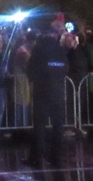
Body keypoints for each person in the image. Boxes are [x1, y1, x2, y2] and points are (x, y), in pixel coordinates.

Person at [26, 21, 71, 167]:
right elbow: (65, 68)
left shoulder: (38, 50)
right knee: (58, 126)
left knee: (39, 126)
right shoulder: (59, 51)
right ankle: (56, 156)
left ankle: (37, 156)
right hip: (58, 92)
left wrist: (36, 80)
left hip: (41, 92)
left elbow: (30, 70)